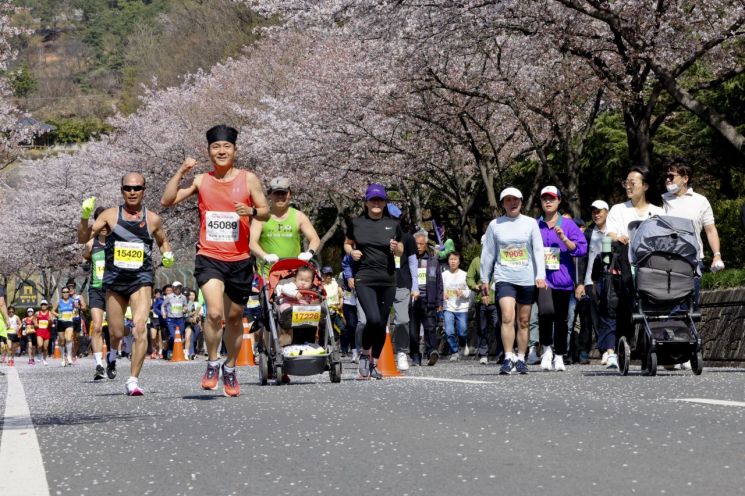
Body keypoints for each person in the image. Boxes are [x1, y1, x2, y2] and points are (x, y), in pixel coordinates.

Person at [161, 124, 269, 397]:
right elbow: (167, 200)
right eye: (215, 147)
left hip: (240, 258)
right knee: (214, 313)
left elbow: (266, 211)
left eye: (226, 147)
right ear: (209, 151)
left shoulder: (249, 179)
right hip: (209, 256)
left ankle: (229, 367)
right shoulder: (201, 180)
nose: (221, 151)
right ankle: (211, 362)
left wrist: (252, 210)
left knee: (234, 318)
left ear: (235, 150)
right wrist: (181, 172)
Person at [83, 172, 174, 396]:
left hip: (141, 279)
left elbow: (163, 242)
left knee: (140, 327)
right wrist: (84, 218)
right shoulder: (110, 215)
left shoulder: (152, 218)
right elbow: (83, 238)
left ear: (144, 190)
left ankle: (133, 380)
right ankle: (112, 354)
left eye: (137, 188)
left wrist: (167, 254)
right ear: (122, 190)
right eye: (127, 188)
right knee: (115, 332)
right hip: (114, 281)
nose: (132, 192)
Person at [480, 187, 546, 375]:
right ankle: (508, 357)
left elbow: (538, 250)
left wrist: (540, 275)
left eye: (516, 199)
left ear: (521, 202)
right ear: (502, 204)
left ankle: (521, 358)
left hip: (526, 277)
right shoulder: (495, 225)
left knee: (523, 320)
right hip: (504, 277)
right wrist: (485, 277)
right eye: (508, 200)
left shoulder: (531, 223)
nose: (512, 203)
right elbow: (488, 253)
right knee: (507, 316)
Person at [344, 183, 404, 379]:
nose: (376, 203)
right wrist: (351, 252)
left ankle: (374, 364)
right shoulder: (357, 223)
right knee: (373, 319)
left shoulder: (393, 224)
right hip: (365, 277)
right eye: (373, 199)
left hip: (387, 279)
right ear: (367, 202)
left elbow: (402, 249)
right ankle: (364, 353)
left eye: (380, 199)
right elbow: (347, 243)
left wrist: (396, 249)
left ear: (385, 202)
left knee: (381, 323)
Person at [606, 167, 664, 366]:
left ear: (645, 186)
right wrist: (618, 237)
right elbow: (610, 232)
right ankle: (622, 344)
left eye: (633, 183)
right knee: (627, 303)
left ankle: (654, 343)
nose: (628, 186)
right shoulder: (618, 210)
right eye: (626, 183)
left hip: (652, 264)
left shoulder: (658, 211)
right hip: (626, 260)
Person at [536, 186, 587, 372]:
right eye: (544, 199)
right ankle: (547, 349)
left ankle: (559, 355)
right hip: (543, 280)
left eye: (552, 198)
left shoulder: (568, 225)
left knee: (561, 320)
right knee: (545, 315)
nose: (548, 202)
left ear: (559, 201)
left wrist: (565, 239)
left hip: (563, 280)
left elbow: (582, 249)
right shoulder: (536, 225)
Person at [250, 176, 320, 276]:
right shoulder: (260, 217)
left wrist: (309, 252)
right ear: (270, 194)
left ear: (289, 194)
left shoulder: (299, 216)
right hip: (267, 274)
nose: (280, 197)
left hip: (293, 274)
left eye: (283, 193)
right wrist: (265, 256)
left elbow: (315, 238)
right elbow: (252, 243)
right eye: (276, 193)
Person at [575, 200, 612, 366]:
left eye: (599, 211)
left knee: (609, 316)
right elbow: (582, 260)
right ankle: (603, 350)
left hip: (612, 281)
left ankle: (611, 348)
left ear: (607, 212)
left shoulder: (614, 231)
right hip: (591, 281)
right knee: (595, 318)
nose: (596, 215)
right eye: (593, 212)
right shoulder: (589, 233)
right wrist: (580, 283)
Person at [388, 203, 417, 372]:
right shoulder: (376, 236)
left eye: (395, 219)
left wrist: (415, 287)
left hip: (402, 284)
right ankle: (374, 354)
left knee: (403, 320)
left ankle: (401, 353)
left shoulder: (408, 238)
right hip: (382, 283)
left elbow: (413, 263)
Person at [82, 206, 110, 379]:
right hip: (96, 289)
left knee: (115, 330)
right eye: (101, 221)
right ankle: (99, 365)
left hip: (114, 290)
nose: (105, 225)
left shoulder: (118, 242)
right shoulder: (91, 243)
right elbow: (85, 258)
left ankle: (112, 359)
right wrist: (86, 262)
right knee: (97, 326)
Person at [410, 230, 443, 366]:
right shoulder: (409, 261)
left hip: (428, 299)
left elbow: (439, 283)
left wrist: (440, 301)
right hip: (412, 300)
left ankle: (432, 352)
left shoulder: (433, 261)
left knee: (430, 327)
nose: (419, 246)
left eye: (421, 244)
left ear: (426, 245)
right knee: (413, 330)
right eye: (416, 243)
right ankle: (415, 357)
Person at [466, 236, 501, 365]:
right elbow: (469, 278)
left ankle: (501, 353)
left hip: (496, 300)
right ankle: (483, 354)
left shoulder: (499, 260)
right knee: (482, 328)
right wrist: (475, 287)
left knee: (499, 327)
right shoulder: (476, 261)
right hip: (481, 300)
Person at [442, 252, 471, 361]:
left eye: (455, 259)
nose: (453, 261)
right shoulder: (444, 275)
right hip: (448, 307)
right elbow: (440, 289)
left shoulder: (465, 274)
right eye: (451, 259)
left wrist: (463, 293)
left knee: (462, 331)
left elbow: (470, 291)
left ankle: (463, 344)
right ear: (448, 261)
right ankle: (454, 352)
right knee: (449, 331)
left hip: (462, 307)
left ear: (459, 261)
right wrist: (442, 294)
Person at [162, 281, 188, 360]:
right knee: (173, 336)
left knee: (180, 337)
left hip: (180, 319)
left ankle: (179, 352)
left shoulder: (183, 297)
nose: (178, 289)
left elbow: (185, 306)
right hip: (171, 319)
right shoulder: (169, 297)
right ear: (173, 288)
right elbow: (163, 306)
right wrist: (164, 313)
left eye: (179, 287)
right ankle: (170, 351)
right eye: (176, 287)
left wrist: (185, 309)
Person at [339, 254, 358, 358]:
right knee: (351, 326)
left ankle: (361, 349)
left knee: (362, 325)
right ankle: (353, 350)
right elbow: (340, 289)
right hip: (348, 301)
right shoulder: (342, 274)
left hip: (361, 300)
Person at [321, 266, 345, 342]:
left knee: (342, 328)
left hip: (336, 311)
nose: (328, 276)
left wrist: (341, 304)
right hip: (325, 312)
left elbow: (341, 296)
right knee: (325, 330)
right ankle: (326, 345)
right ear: (322, 275)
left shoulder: (336, 284)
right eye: (326, 274)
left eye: (330, 274)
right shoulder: (320, 286)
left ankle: (336, 344)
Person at [55, 286, 77, 366]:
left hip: (69, 322)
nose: (65, 293)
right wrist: (58, 315)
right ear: (62, 293)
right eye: (63, 292)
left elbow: (76, 309)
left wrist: (74, 313)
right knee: (62, 341)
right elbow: (52, 311)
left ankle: (69, 356)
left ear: (69, 293)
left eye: (66, 292)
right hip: (61, 322)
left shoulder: (72, 301)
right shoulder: (59, 302)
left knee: (68, 338)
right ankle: (62, 358)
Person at [35, 300, 54, 365]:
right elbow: (34, 319)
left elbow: (51, 322)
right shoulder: (37, 313)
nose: (43, 306)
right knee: (40, 345)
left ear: (47, 306)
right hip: (39, 331)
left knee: (45, 348)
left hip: (47, 331)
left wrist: (50, 321)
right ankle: (39, 354)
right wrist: (35, 324)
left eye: (45, 304)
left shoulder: (49, 313)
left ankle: (45, 359)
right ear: (40, 306)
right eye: (42, 304)